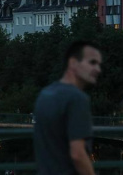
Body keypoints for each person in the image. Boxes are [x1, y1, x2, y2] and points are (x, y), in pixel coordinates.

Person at [33, 40, 102, 175]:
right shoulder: (77, 98)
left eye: (99, 64)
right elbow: (77, 154)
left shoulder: (45, 94)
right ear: (73, 63)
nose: (98, 69)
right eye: (92, 62)